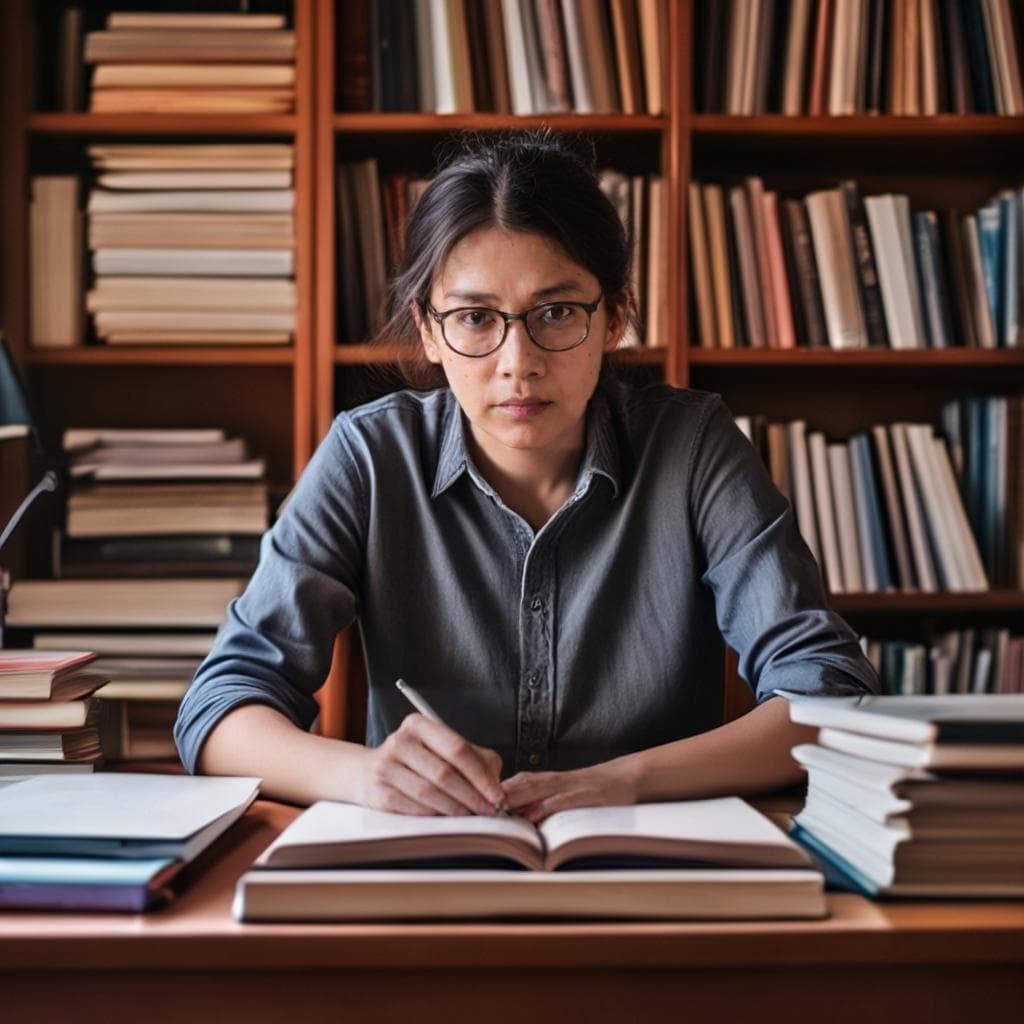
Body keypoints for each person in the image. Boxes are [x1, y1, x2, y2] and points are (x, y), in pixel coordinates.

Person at [174, 130, 878, 822]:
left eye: (558, 312)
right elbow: (220, 709)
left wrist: (621, 782)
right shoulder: (369, 455)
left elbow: (831, 699)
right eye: (476, 318)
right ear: (427, 329)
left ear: (616, 316)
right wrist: (367, 776)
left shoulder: (693, 448)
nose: (518, 361)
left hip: (647, 867)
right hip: (424, 871)